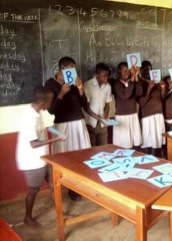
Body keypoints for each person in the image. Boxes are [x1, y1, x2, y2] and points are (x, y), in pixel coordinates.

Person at [16, 86, 66, 227]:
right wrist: (56, 139)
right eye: (51, 100)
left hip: (44, 157)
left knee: (53, 183)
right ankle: (27, 217)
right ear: (43, 102)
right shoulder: (29, 117)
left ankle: (60, 212)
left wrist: (54, 130)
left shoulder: (38, 112)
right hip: (31, 160)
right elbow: (33, 144)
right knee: (34, 190)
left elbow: (43, 129)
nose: (52, 103)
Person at [45, 56, 91, 201]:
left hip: (79, 123)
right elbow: (51, 110)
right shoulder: (50, 84)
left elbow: (85, 105)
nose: (74, 71)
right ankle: (69, 188)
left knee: (81, 156)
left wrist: (80, 89)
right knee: (66, 157)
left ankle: (79, 187)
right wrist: (61, 94)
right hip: (63, 125)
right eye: (72, 68)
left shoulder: (74, 82)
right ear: (63, 68)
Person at [138, 60, 166, 157]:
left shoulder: (157, 81)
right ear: (140, 71)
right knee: (148, 141)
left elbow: (162, 99)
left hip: (158, 115)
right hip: (147, 116)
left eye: (149, 69)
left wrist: (162, 90)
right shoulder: (139, 83)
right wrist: (149, 88)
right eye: (144, 70)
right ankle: (148, 162)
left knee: (158, 141)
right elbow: (141, 102)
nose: (146, 72)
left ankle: (159, 161)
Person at [113, 62, 143, 149]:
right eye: (124, 70)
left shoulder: (132, 81)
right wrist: (133, 80)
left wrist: (136, 77)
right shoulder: (116, 84)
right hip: (122, 117)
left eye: (129, 70)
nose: (127, 73)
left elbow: (139, 93)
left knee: (135, 142)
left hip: (133, 115)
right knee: (124, 144)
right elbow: (126, 95)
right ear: (119, 71)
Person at [84, 63, 113, 146]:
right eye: (104, 76)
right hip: (90, 122)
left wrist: (104, 118)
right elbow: (86, 107)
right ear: (97, 75)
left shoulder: (108, 87)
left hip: (102, 124)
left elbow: (107, 105)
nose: (106, 78)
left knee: (103, 146)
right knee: (91, 147)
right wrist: (98, 118)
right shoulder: (88, 85)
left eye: (107, 76)